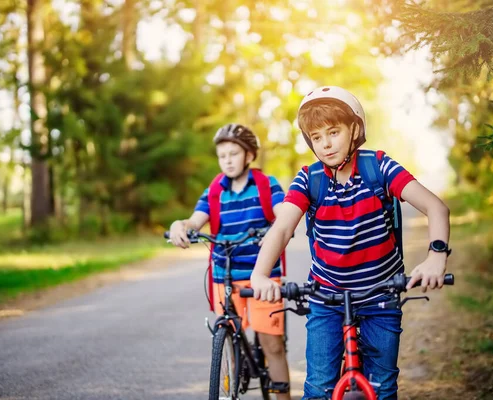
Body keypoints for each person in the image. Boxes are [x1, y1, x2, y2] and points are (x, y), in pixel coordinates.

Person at [250, 86, 451, 399]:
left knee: (382, 387)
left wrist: (436, 256)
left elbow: (435, 208)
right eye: (317, 137)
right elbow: (282, 228)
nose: (326, 144)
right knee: (318, 388)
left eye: (334, 132)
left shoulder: (378, 167)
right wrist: (260, 274)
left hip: (380, 294)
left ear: (354, 129)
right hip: (326, 296)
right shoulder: (309, 178)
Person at [168, 123, 291, 399]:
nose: (227, 160)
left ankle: (282, 395)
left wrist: (277, 228)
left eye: (234, 154)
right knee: (231, 338)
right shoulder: (215, 191)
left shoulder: (265, 184)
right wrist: (180, 225)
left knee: (272, 345)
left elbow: (284, 214)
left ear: (249, 156)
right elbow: (195, 221)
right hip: (223, 274)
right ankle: (232, 390)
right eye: (222, 155)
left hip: (263, 276)